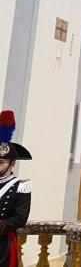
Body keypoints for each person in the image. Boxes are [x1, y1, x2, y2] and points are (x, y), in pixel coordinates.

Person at [0, 110, 31, 267]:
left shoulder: (21, 186)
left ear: (12, 163)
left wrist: (2, 225)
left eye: (1, 163)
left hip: (3, 243)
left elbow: (20, 217)